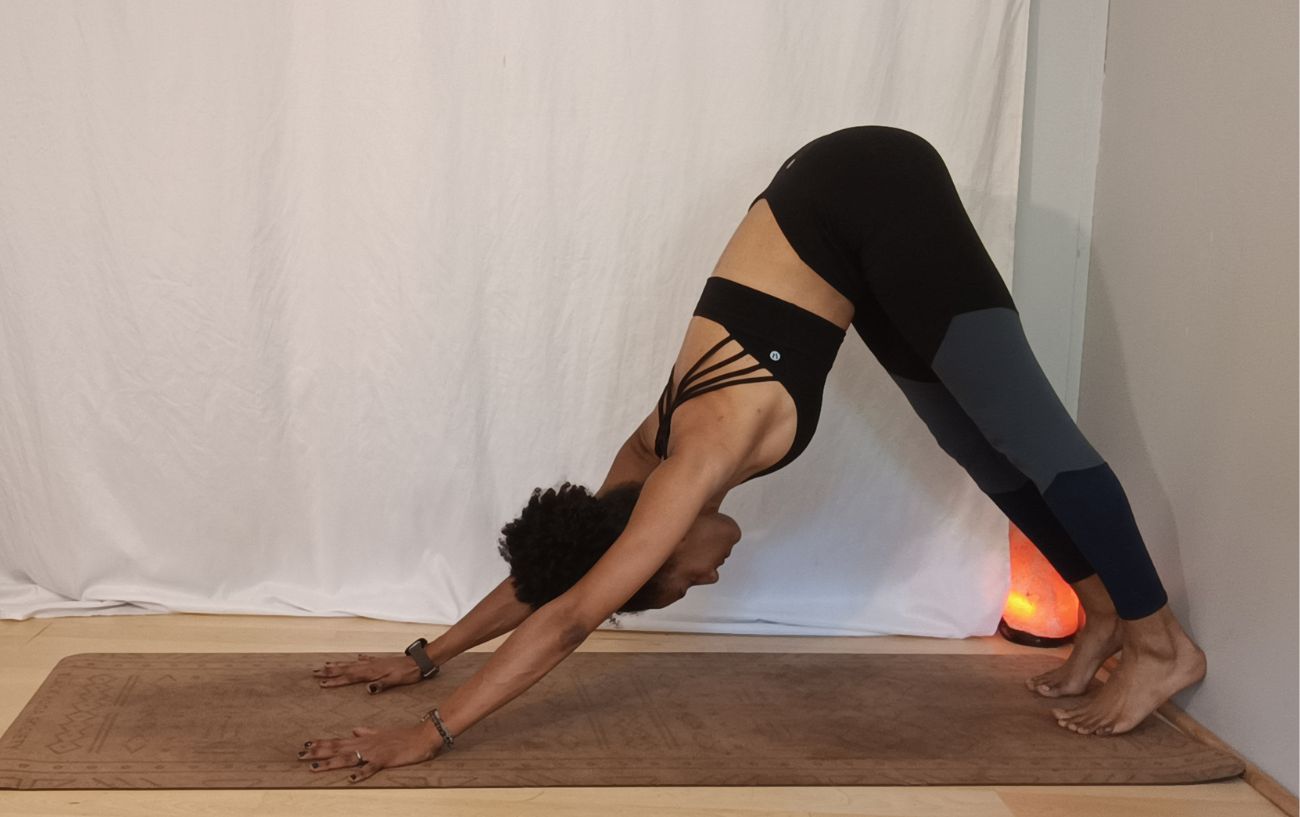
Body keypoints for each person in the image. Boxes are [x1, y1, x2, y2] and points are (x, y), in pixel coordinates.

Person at [301, 126, 1207, 780]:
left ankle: (1159, 641)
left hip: (872, 186)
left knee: (1030, 429)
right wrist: (430, 652)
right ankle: (1099, 614)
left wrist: (434, 728)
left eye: (676, 578)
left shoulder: (692, 459)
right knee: (976, 440)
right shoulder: (643, 454)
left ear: (657, 539)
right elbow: (559, 568)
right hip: (841, 217)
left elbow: (574, 614)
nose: (703, 577)